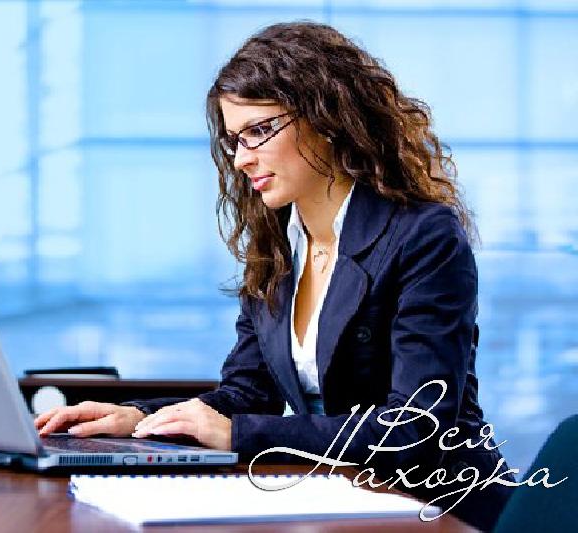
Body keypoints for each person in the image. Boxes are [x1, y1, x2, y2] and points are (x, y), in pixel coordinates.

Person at [36, 21, 514, 531]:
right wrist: (141, 420)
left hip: (441, 506)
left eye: (259, 131)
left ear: (327, 118)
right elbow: (246, 394)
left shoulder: (422, 235)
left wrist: (242, 436)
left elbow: (415, 429)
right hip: (343, 498)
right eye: (234, 141)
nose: (242, 159)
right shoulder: (279, 244)